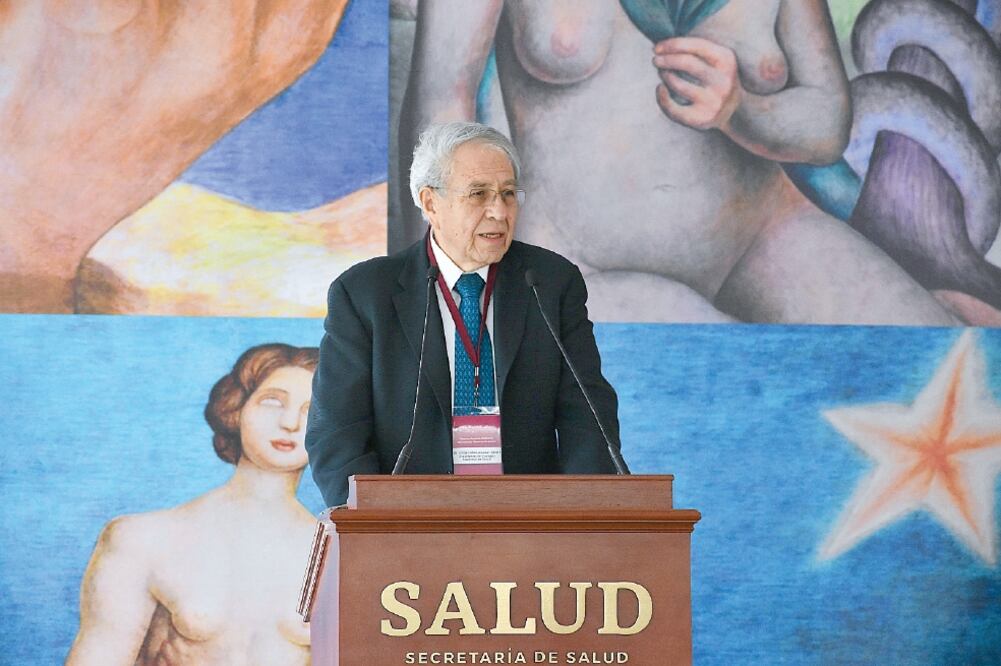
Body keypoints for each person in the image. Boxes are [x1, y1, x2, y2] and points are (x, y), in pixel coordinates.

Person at [396, 0, 956, 325]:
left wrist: (744, 110)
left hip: (764, 236)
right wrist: (444, 284)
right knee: (730, 395)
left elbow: (827, 123)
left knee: (936, 350)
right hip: (575, 265)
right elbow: (442, 103)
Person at [306, 122, 621, 508]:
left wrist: (579, 515)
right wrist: (374, 525)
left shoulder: (548, 282)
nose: (499, 212)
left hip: (530, 526)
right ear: (430, 202)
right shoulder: (366, 294)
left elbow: (588, 418)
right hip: (407, 530)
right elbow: (337, 434)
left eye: (508, 194)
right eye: (479, 195)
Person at [67, 344, 319, 665]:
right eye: (272, 402)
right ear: (237, 409)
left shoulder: (343, 556)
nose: (290, 423)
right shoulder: (142, 538)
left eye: (314, 410)